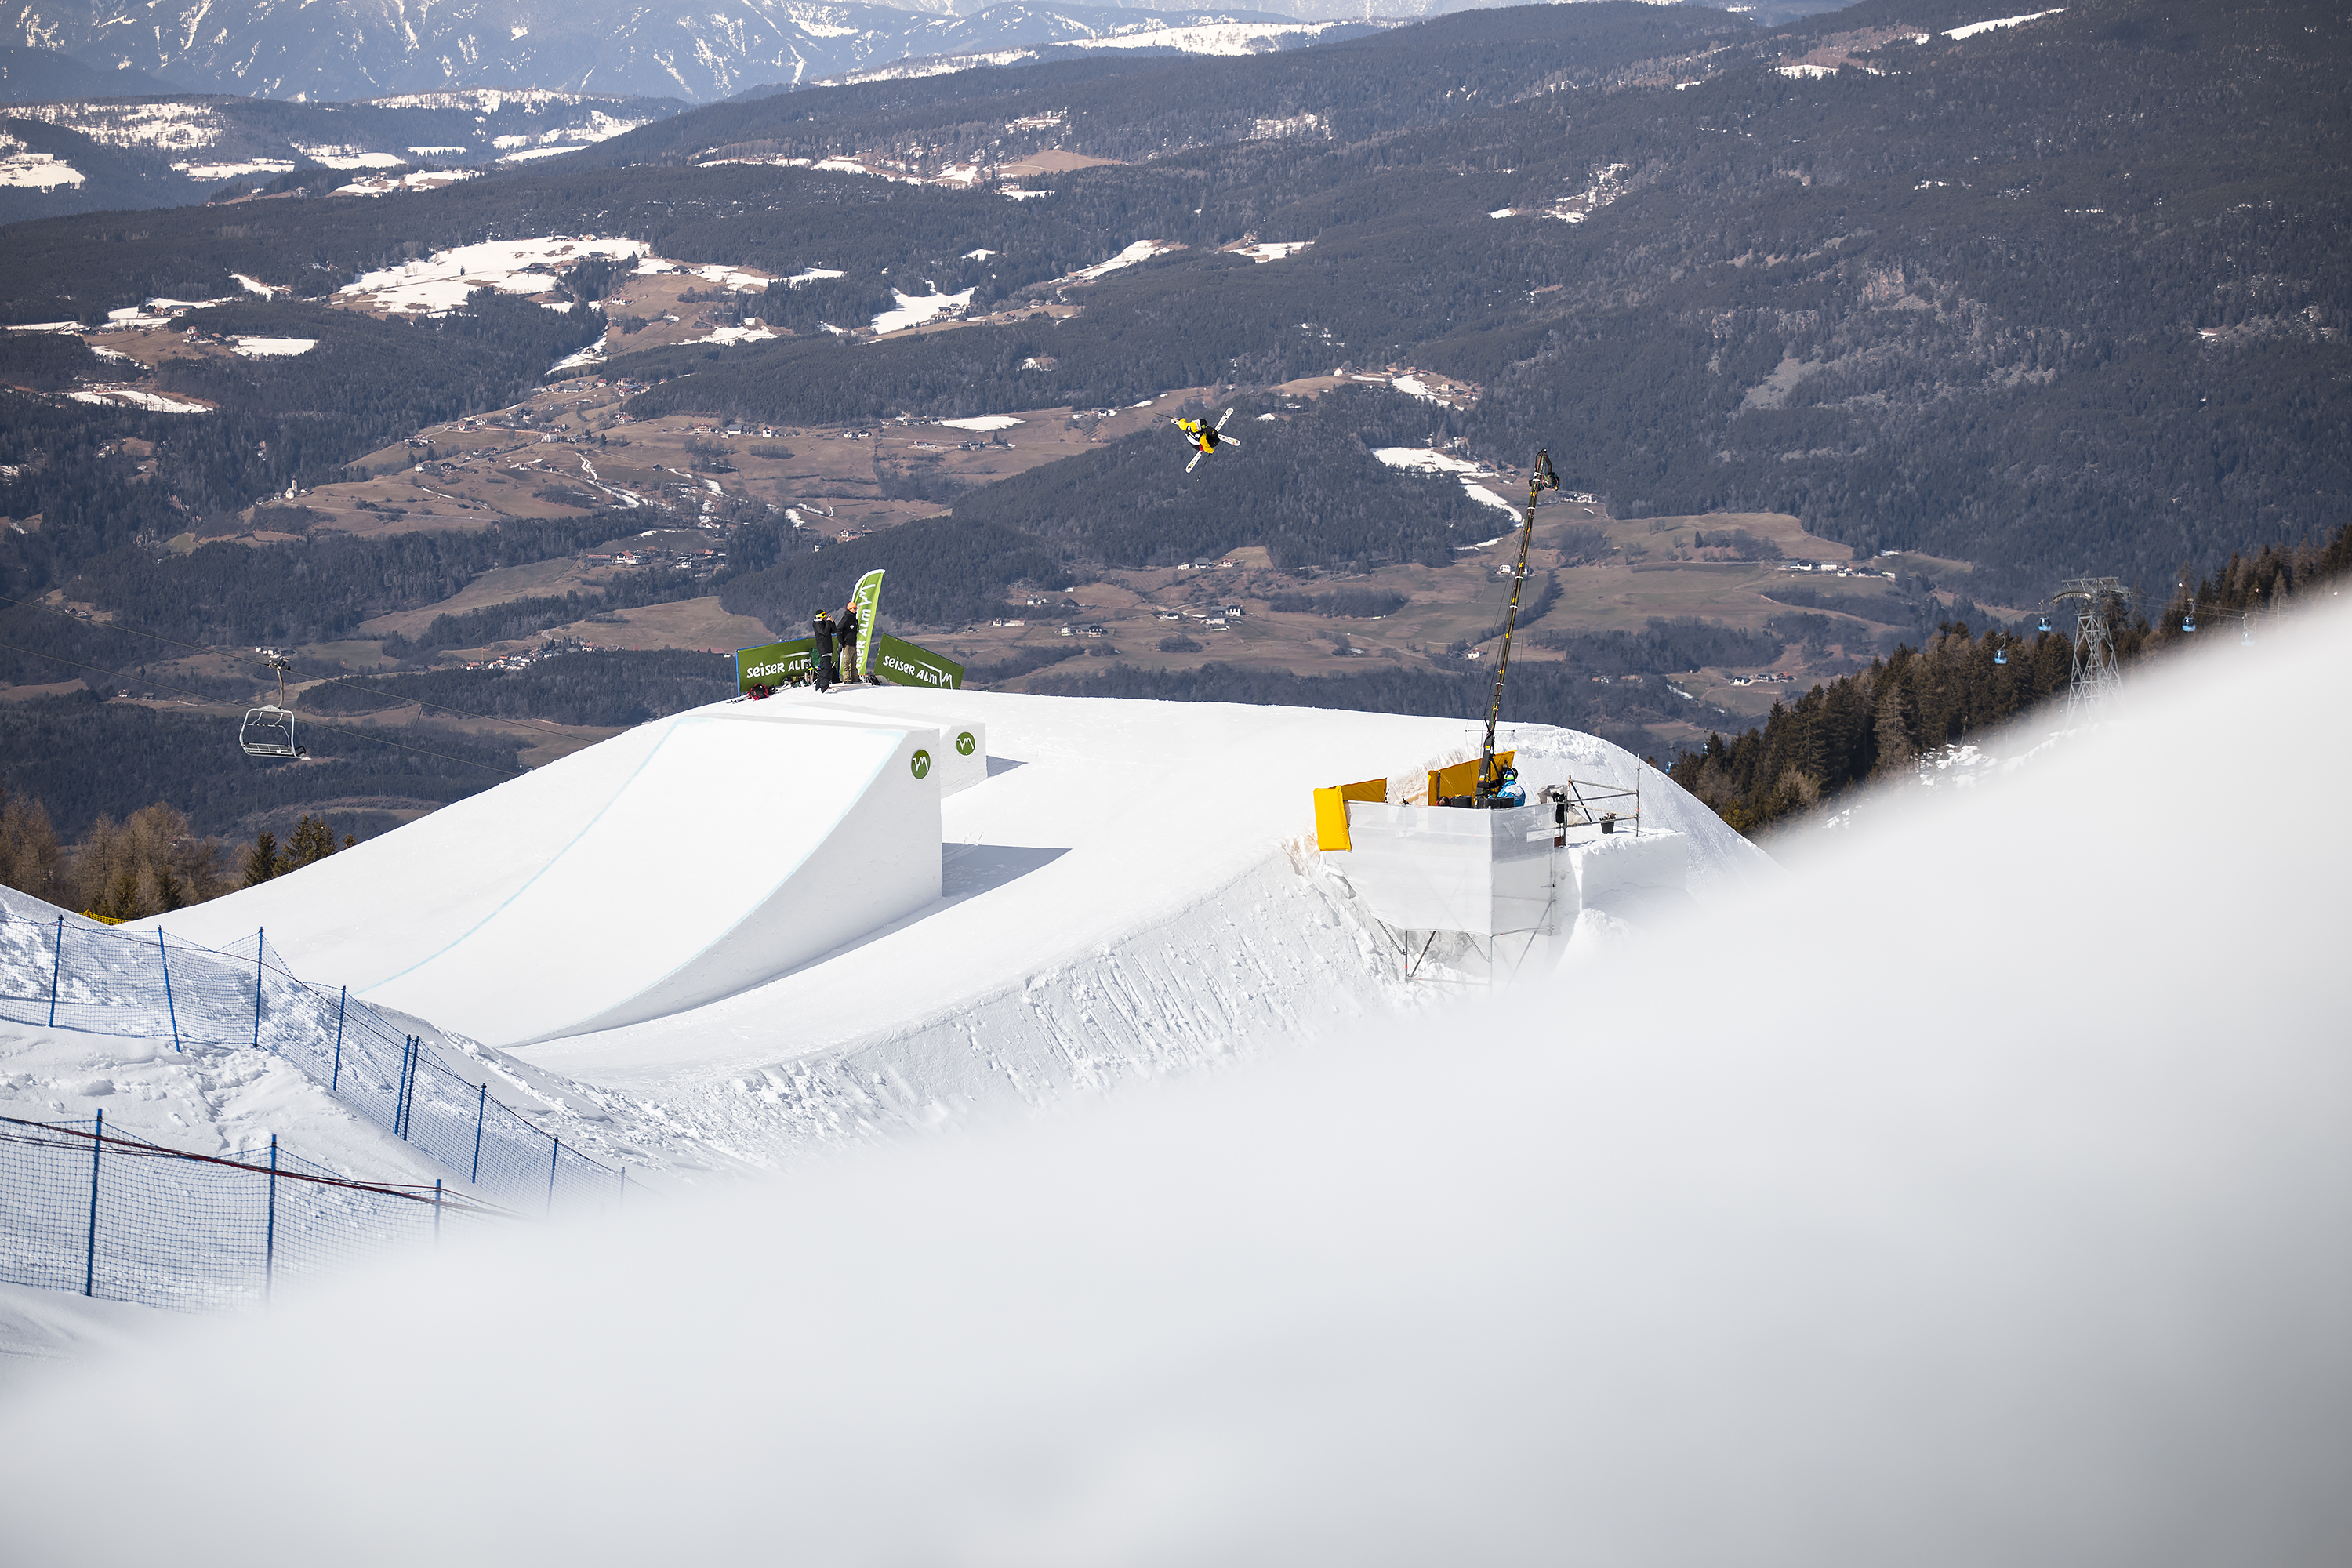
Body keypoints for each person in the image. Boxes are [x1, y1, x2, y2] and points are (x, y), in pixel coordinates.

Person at [811, 608, 839, 692]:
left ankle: (819, 685)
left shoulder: (824, 623)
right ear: (818, 616)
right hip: (824, 648)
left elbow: (833, 631)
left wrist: (832, 622)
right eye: (823, 615)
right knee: (826, 669)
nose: (824, 617)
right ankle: (824, 687)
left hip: (828, 648)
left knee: (824, 668)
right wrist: (828, 623)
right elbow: (825, 632)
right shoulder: (817, 624)